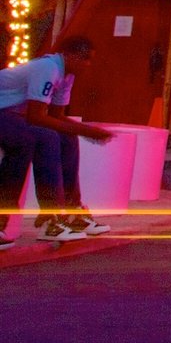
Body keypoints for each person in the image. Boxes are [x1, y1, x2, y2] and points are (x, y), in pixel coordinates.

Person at [0, 35, 112, 246]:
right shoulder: (48, 68)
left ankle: (70, 210)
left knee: (66, 137)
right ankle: (50, 216)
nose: (87, 64)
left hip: (10, 114)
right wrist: (88, 131)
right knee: (38, 138)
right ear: (67, 55)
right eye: (84, 58)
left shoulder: (66, 75)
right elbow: (36, 116)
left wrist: (83, 131)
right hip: (4, 112)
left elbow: (57, 116)